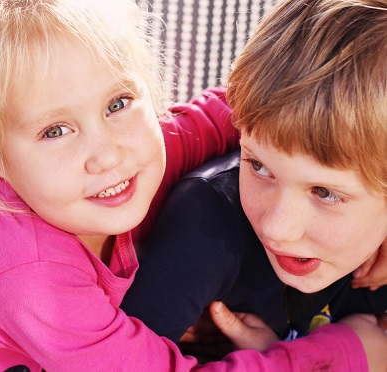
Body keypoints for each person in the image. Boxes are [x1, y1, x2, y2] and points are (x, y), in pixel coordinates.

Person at [0, 0, 383, 371]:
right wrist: (342, 351)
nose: (107, 154)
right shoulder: (29, 276)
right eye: (54, 131)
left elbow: (265, 112)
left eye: (118, 102)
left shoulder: (139, 152)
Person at [121, 0, 387, 367]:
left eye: (324, 193)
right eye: (259, 166)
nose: (278, 229)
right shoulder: (206, 224)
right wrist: (328, 357)